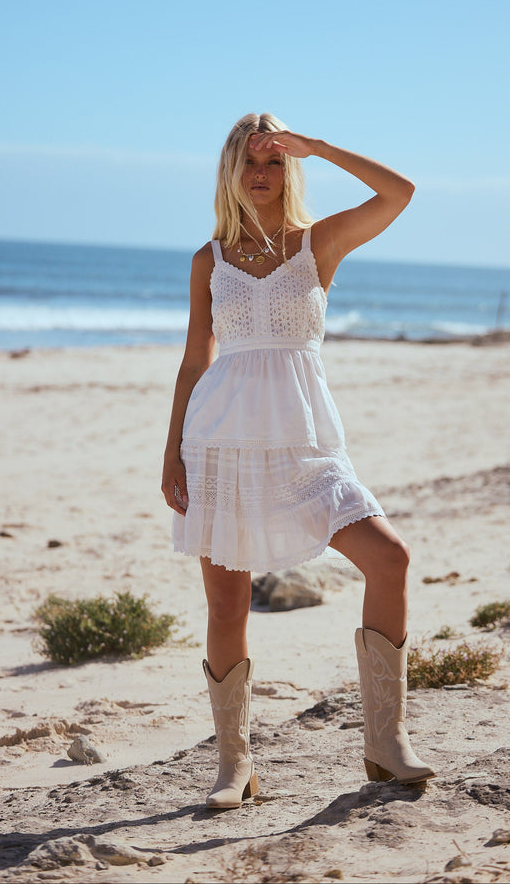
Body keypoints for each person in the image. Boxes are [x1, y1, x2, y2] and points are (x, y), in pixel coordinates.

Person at [161, 112, 435, 809]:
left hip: (305, 444)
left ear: (290, 171)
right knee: (227, 608)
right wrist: (172, 453)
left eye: (275, 162)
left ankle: (385, 740)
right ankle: (234, 766)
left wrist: (315, 144)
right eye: (249, 161)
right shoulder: (209, 259)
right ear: (230, 171)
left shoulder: (318, 244)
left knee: (388, 557)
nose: (261, 173)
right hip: (219, 440)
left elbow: (399, 192)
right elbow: (197, 359)